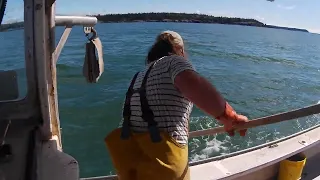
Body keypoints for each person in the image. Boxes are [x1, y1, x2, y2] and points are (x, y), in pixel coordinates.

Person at [104, 30, 249, 180]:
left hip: (127, 160)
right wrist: (230, 117)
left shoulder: (139, 75)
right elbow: (195, 85)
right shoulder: (174, 61)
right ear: (179, 49)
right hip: (161, 160)